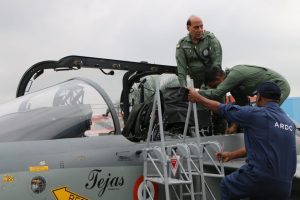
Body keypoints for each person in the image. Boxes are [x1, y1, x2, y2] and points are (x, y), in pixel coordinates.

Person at [188, 81, 297, 200]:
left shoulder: (256, 114)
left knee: (228, 185)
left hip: (259, 177)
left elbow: (221, 108)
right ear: (279, 98)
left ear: (259, 97)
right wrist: (232, 155)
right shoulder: (289, 123)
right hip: (285, 185)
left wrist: (198, 98)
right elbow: (263, 144)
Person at [200, 65, 291, 134]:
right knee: (255, 115)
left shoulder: (235, 75)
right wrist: (234, 126)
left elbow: (217, 93)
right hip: (263, 95)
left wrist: (197, 93)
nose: (217, 88)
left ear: (219, 78)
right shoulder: (234, 88)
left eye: (215, 86)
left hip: (279, 87)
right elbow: (243, 106)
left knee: (260, 116)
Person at [176, 15, 222, 88]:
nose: (200, 30)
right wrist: (183, 89)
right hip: (196, 82)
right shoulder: (182, 44)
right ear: (188, 28)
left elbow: (216, 64)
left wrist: (206, 87)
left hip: (212, 82)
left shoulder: (211, 39)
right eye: (196, 27)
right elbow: (181, 70)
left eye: (201, 26)